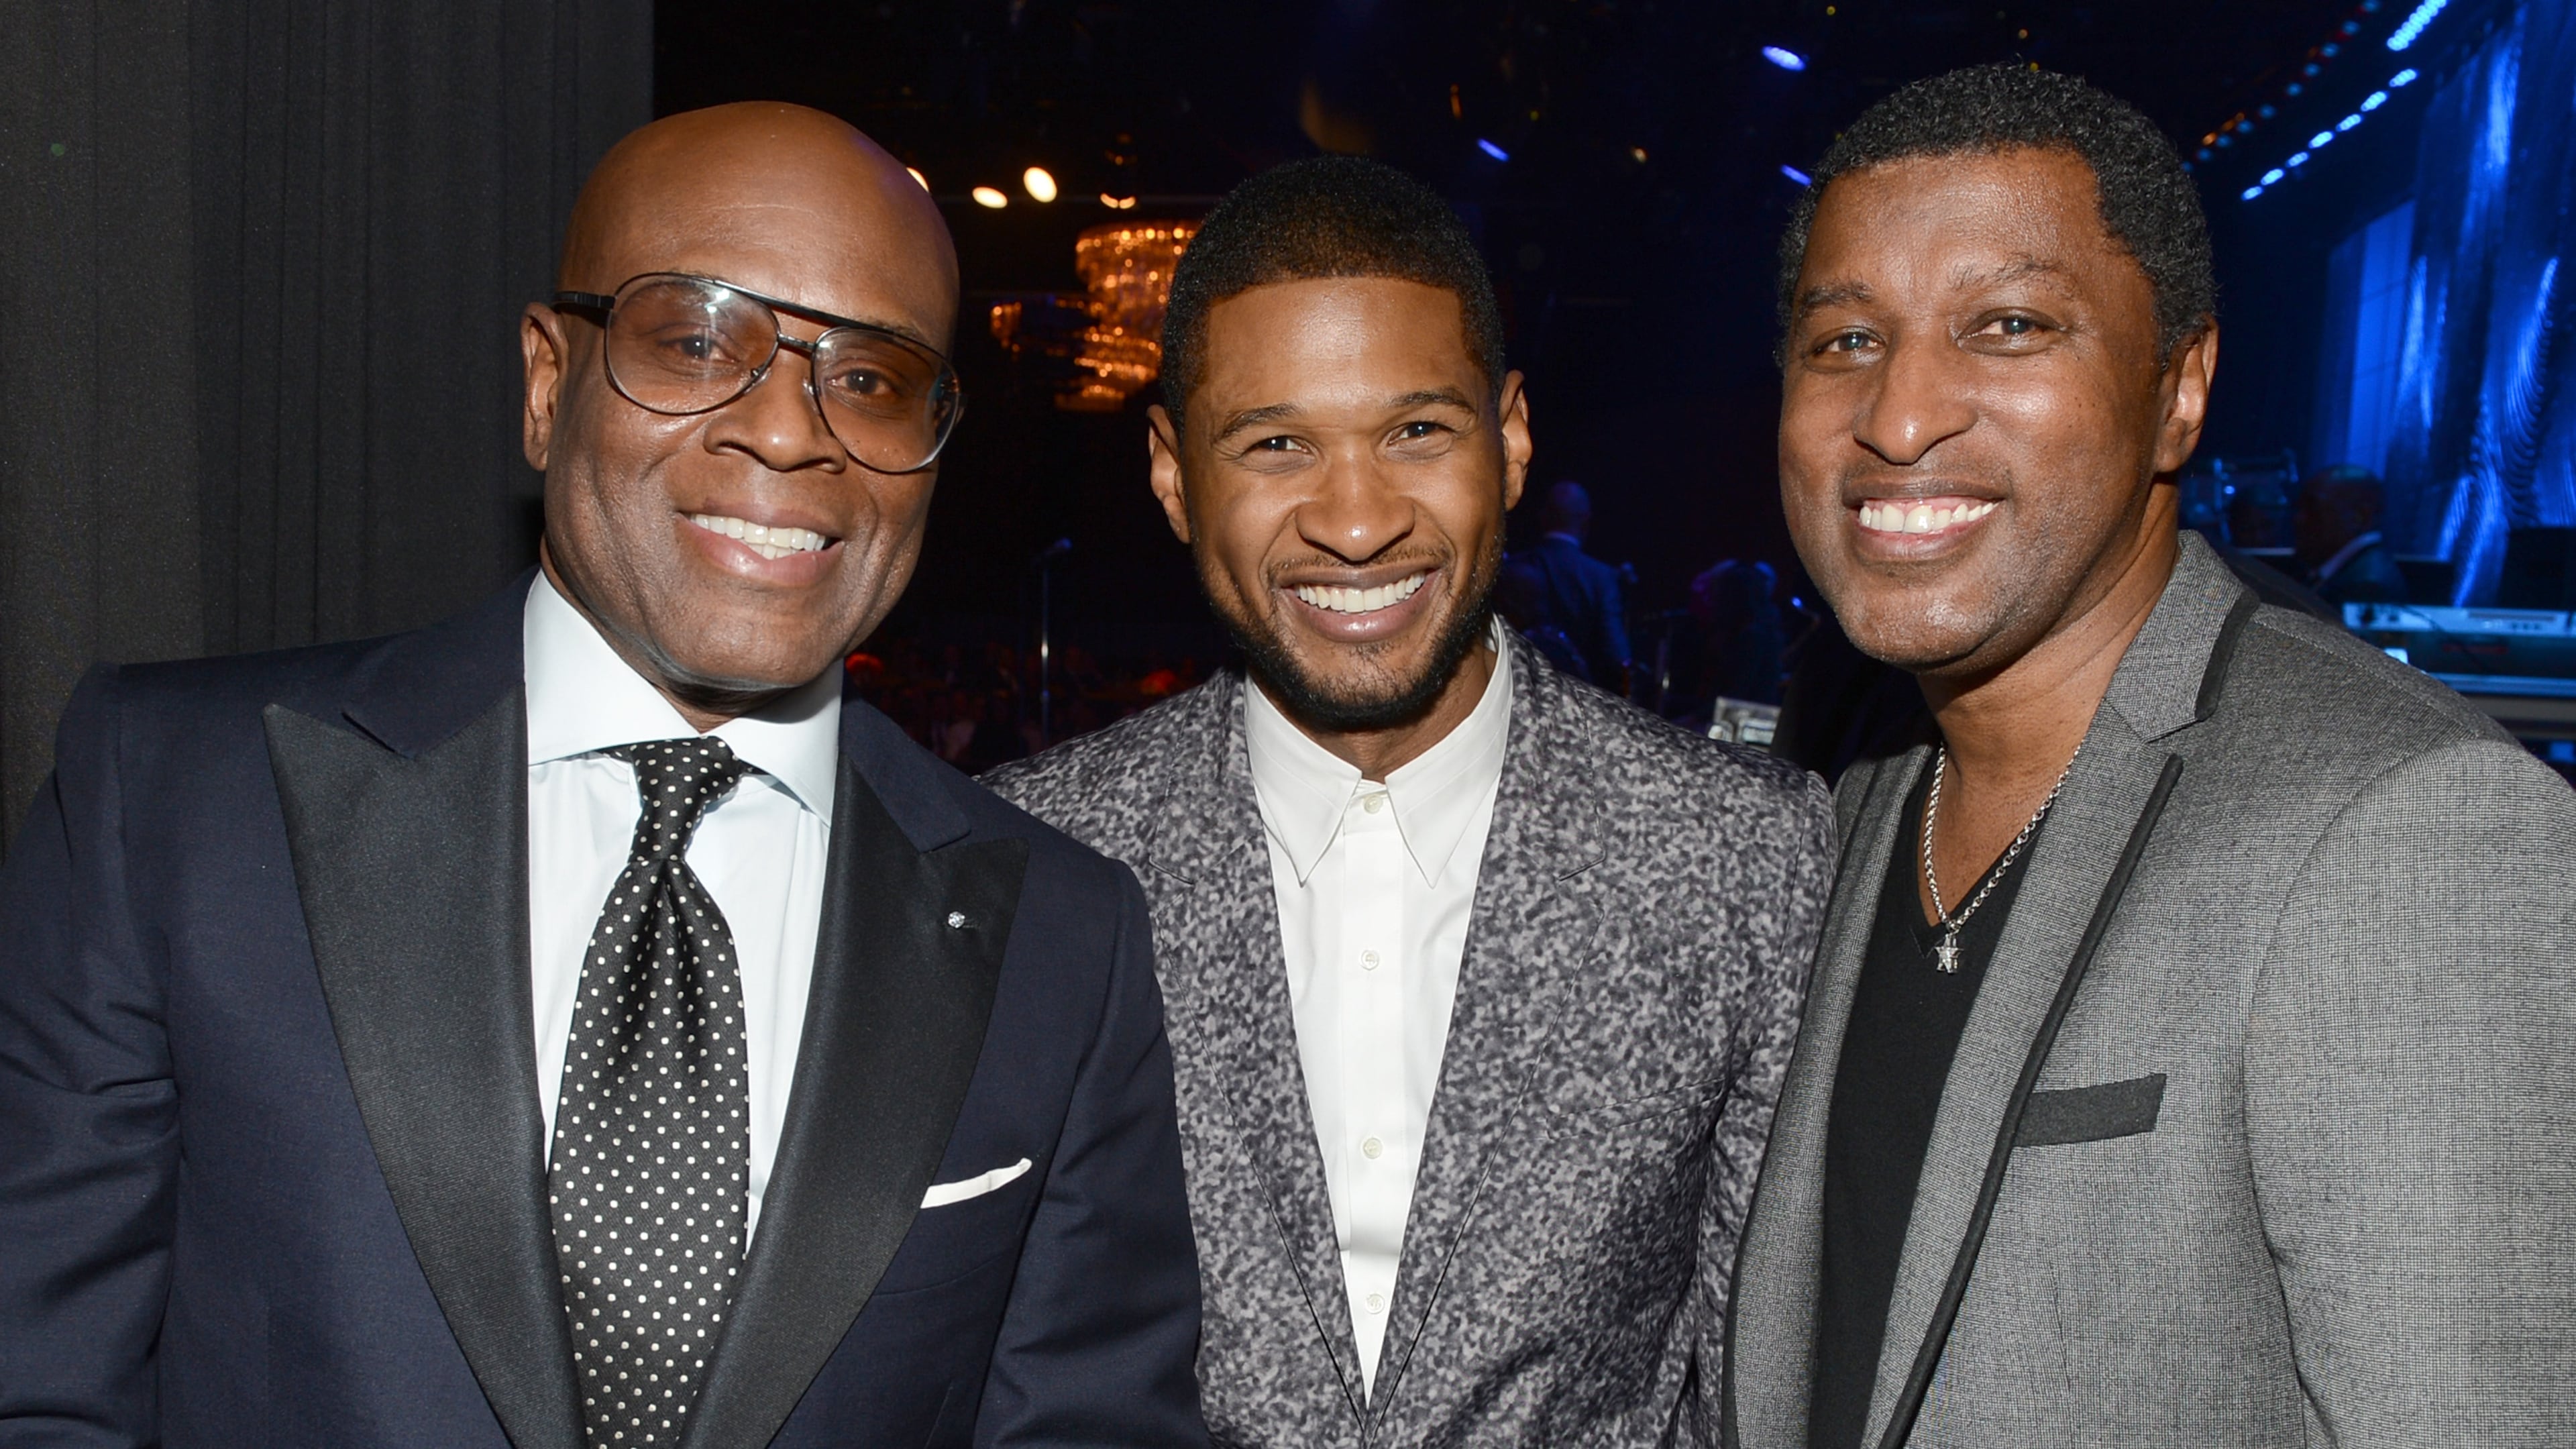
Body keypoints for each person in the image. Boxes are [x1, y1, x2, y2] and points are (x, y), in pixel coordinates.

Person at [0, 103, 1204, 1448]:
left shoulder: (1063, 939)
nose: (792, 431)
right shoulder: (171, 807)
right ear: (544, 383)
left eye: (869, 378)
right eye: (696, 341)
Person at [1728, 65, 2576, 1448]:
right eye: (1843, 342)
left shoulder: (2413, 828)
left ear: (2179, 391)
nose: (1897, 416)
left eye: (2007, 326)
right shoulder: (1864, 793)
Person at [983, 157, 1835, 1446]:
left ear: (1512, 436)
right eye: (1277, 443)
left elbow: (1757, 1393)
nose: (1358, 519)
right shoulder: (1028, 861)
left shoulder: (1750, 858)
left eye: (1417, 431)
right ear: (1171, 474)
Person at [1516, 480, 1633, 689]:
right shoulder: (1601, 577)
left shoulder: (1513, 568)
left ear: (1543, 517)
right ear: (1586, 522)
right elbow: (1616, 655)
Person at [2293, 463, 2409, 604]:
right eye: (2300, 508)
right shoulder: (2346, 575)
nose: (2299, 519)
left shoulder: (2366, 587)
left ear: (2360, 517)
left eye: (2313, 508)